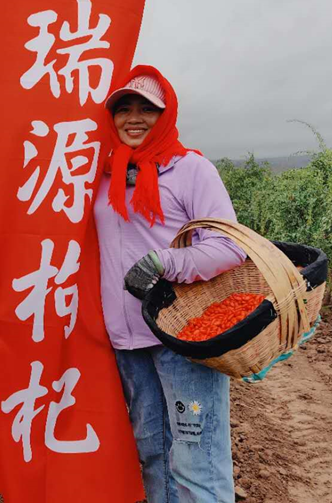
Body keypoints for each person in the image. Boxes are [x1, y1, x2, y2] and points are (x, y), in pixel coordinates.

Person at [93, 65, 247, 503]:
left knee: (197, 460)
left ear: (166, 115)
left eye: (148, 108)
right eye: (124, 108)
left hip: (182, 336)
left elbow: (228, 246)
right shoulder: (104, 176)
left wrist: (166, 260)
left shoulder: (191, 170)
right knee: (154, 454)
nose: (134, 118)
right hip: (129, 340)